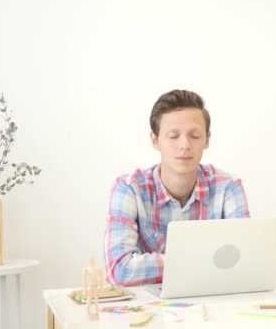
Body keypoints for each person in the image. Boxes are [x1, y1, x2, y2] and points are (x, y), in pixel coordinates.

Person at [104, 89, 250, 286]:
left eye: (195, 135)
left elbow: (245, 262)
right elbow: (119, 271)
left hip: (212, 302)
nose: (185, 145)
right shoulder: (129, 188)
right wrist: (206, 260)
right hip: (152, 307)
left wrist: (173, 263)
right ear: (155, 140)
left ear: (207, 139)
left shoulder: (228, 187)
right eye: (173, 136)